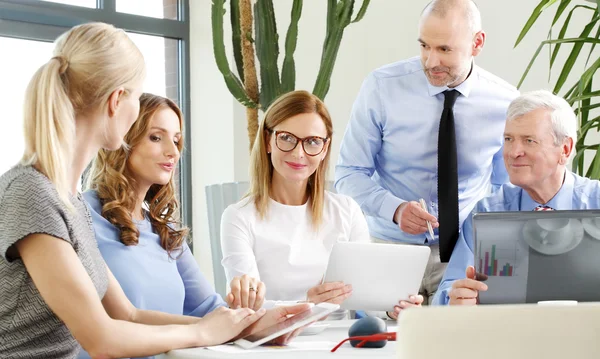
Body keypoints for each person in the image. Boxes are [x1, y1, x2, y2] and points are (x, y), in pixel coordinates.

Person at [0, 23, 305, 359]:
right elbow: (100, 338)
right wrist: (201, 332)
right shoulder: (31, 194)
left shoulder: (66, 200)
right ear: (116, 101)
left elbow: (127, 315)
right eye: (136, 99)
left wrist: (240, 326)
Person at [74, 94, 299, 359]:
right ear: (123, 139)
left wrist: (256, 322)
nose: (172, 152)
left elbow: (208, 310)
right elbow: (77, 335)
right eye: (156, 137)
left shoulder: (164, 232)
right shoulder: (82, 218)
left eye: (177, 140)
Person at [334, 0, 519, 305]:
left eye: (444, 50)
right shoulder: (382, 88)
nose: (431, 61)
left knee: (453, 348)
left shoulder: (505, 102)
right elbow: (348, 173)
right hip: (389, 250)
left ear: (477, 43)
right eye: (424, 46)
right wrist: (394, 209)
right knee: (382, 347)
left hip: (462, 258)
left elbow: (504, 188)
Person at [220, 90, 421, 319]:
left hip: (340, 343)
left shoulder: (346, 210)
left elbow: (366, 297)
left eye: (313, 142)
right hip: (273, 344)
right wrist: (307, 304)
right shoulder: (239, 217)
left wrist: (393, 308)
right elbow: (248, 309)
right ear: (268, 141)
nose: (298, 153)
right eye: (286, 138)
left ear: (324, 149)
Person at [433, 90, 600, 306]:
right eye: (508, 139)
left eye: (529, 141)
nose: (513, 152)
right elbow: (447, 291)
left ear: (565, 150)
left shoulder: (596, 202)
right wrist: (455, 298)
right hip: (508, 333)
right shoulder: (487, 213)